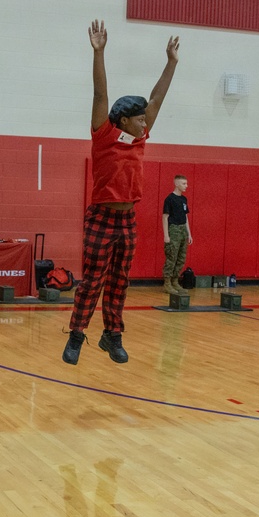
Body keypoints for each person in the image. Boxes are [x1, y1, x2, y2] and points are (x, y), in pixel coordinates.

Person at [62, 21, 179, 366]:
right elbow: (100, 95)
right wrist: (99, 53)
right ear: (124, 120)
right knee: (92, 281)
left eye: (145, 119)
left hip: (127, 220)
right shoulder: (104, 135)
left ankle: (112, 336)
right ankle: (76, 335)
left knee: (119, 282)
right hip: (101, 217)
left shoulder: (139, 138)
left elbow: (157, 98)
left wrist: (170, 63)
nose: (145, 123)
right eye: (140, 119)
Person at [162, 175, 192, 295]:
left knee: (181, 257)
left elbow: (185, 217)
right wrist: (166, 235)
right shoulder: (169, 199)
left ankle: (175, 281)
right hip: (173, 229)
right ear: (176, 184)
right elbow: (165, 217)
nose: (186, 186)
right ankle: (167, 283)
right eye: (184, 183)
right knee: (172, 257)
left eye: (186, 183)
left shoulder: (184, 199)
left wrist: (189, 233)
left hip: (183, 229)